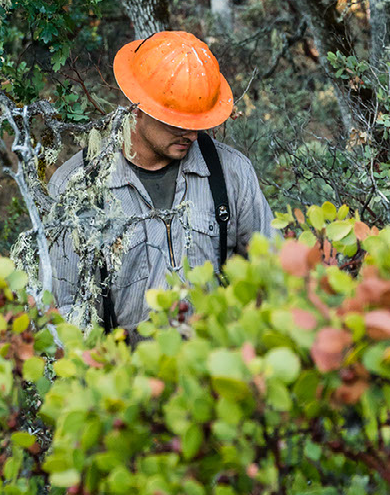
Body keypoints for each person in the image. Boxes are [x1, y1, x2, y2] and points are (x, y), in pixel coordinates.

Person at [45, 31, 273, 336]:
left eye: (198, 122)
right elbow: (64, 307)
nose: (191, 134)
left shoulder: (231, 172)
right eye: (177, 121)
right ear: (139, 108)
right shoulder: (78, 186)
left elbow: (272, 269)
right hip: (125, 376)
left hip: (218, 370)